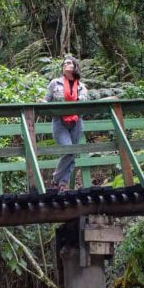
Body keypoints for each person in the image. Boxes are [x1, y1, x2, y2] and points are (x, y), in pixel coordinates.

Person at [44, 56, 89, 191]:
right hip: (59, 121)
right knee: (68, 150)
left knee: (72, 154)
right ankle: (56, 178)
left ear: (75, 66)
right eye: (64, 63)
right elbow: (47, 100)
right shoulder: (55, 83)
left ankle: (62, 184)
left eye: (69, 63)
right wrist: (42, 103)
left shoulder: (82, 87)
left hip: (76, 122)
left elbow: (85, 105)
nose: (65, 65)